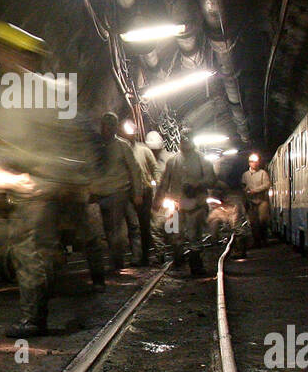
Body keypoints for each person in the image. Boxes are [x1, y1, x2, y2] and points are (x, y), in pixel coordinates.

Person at [0, 21, 94, 337]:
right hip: (20, 185)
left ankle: (34, 318)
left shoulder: (53, 91)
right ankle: (45, 302)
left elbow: (74, 141)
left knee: (30, 251)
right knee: (30, 250)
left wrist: (53, 178)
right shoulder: (0, 96)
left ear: (22, 55)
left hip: (42, 186)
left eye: (4, 51)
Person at [155, 127, 216, 276]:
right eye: (183, 139)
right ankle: (178, 261)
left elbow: (211, 179)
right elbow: (164, 182)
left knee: (194, 235)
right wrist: (158, 199)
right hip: (176, 205)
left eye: (187, 138)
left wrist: (197, 185)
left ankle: (195, 265)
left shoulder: (202, 159)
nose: (185, 142)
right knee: (174, 233)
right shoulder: (173, 161)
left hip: (196, 204)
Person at [89, 112, 145, 273]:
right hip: (102, 194)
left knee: (117, 228)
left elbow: (134, 170)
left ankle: (121, 260)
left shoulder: (122, 146)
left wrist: (137, 193)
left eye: (111, 126)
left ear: (114, 128)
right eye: (105, 126)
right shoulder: (98, 147)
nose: (107, 129)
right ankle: (118, 258)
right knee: (110, 229)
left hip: (119, 191)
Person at [130, 130, 162, 265]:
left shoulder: (144, 150)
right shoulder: (123, 149)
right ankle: (138, 256)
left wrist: (159, 187)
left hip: (145, 190)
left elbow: (155, 168)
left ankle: (145, 255)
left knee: (144, 224)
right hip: (129, 192)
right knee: (133, 225)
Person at [241, 153, 272, 246]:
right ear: (249, 163)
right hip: (251, 202)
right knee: (253, 222)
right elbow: (243, 185)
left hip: (262, 201)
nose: (254, 164)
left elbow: (267, 185)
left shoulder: (263, 173)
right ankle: (256, 241)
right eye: (252, 162)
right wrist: (246, 191)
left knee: (263, 220)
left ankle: (264, 239)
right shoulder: (245, 175)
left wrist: (255, 190)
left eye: (256, 162)